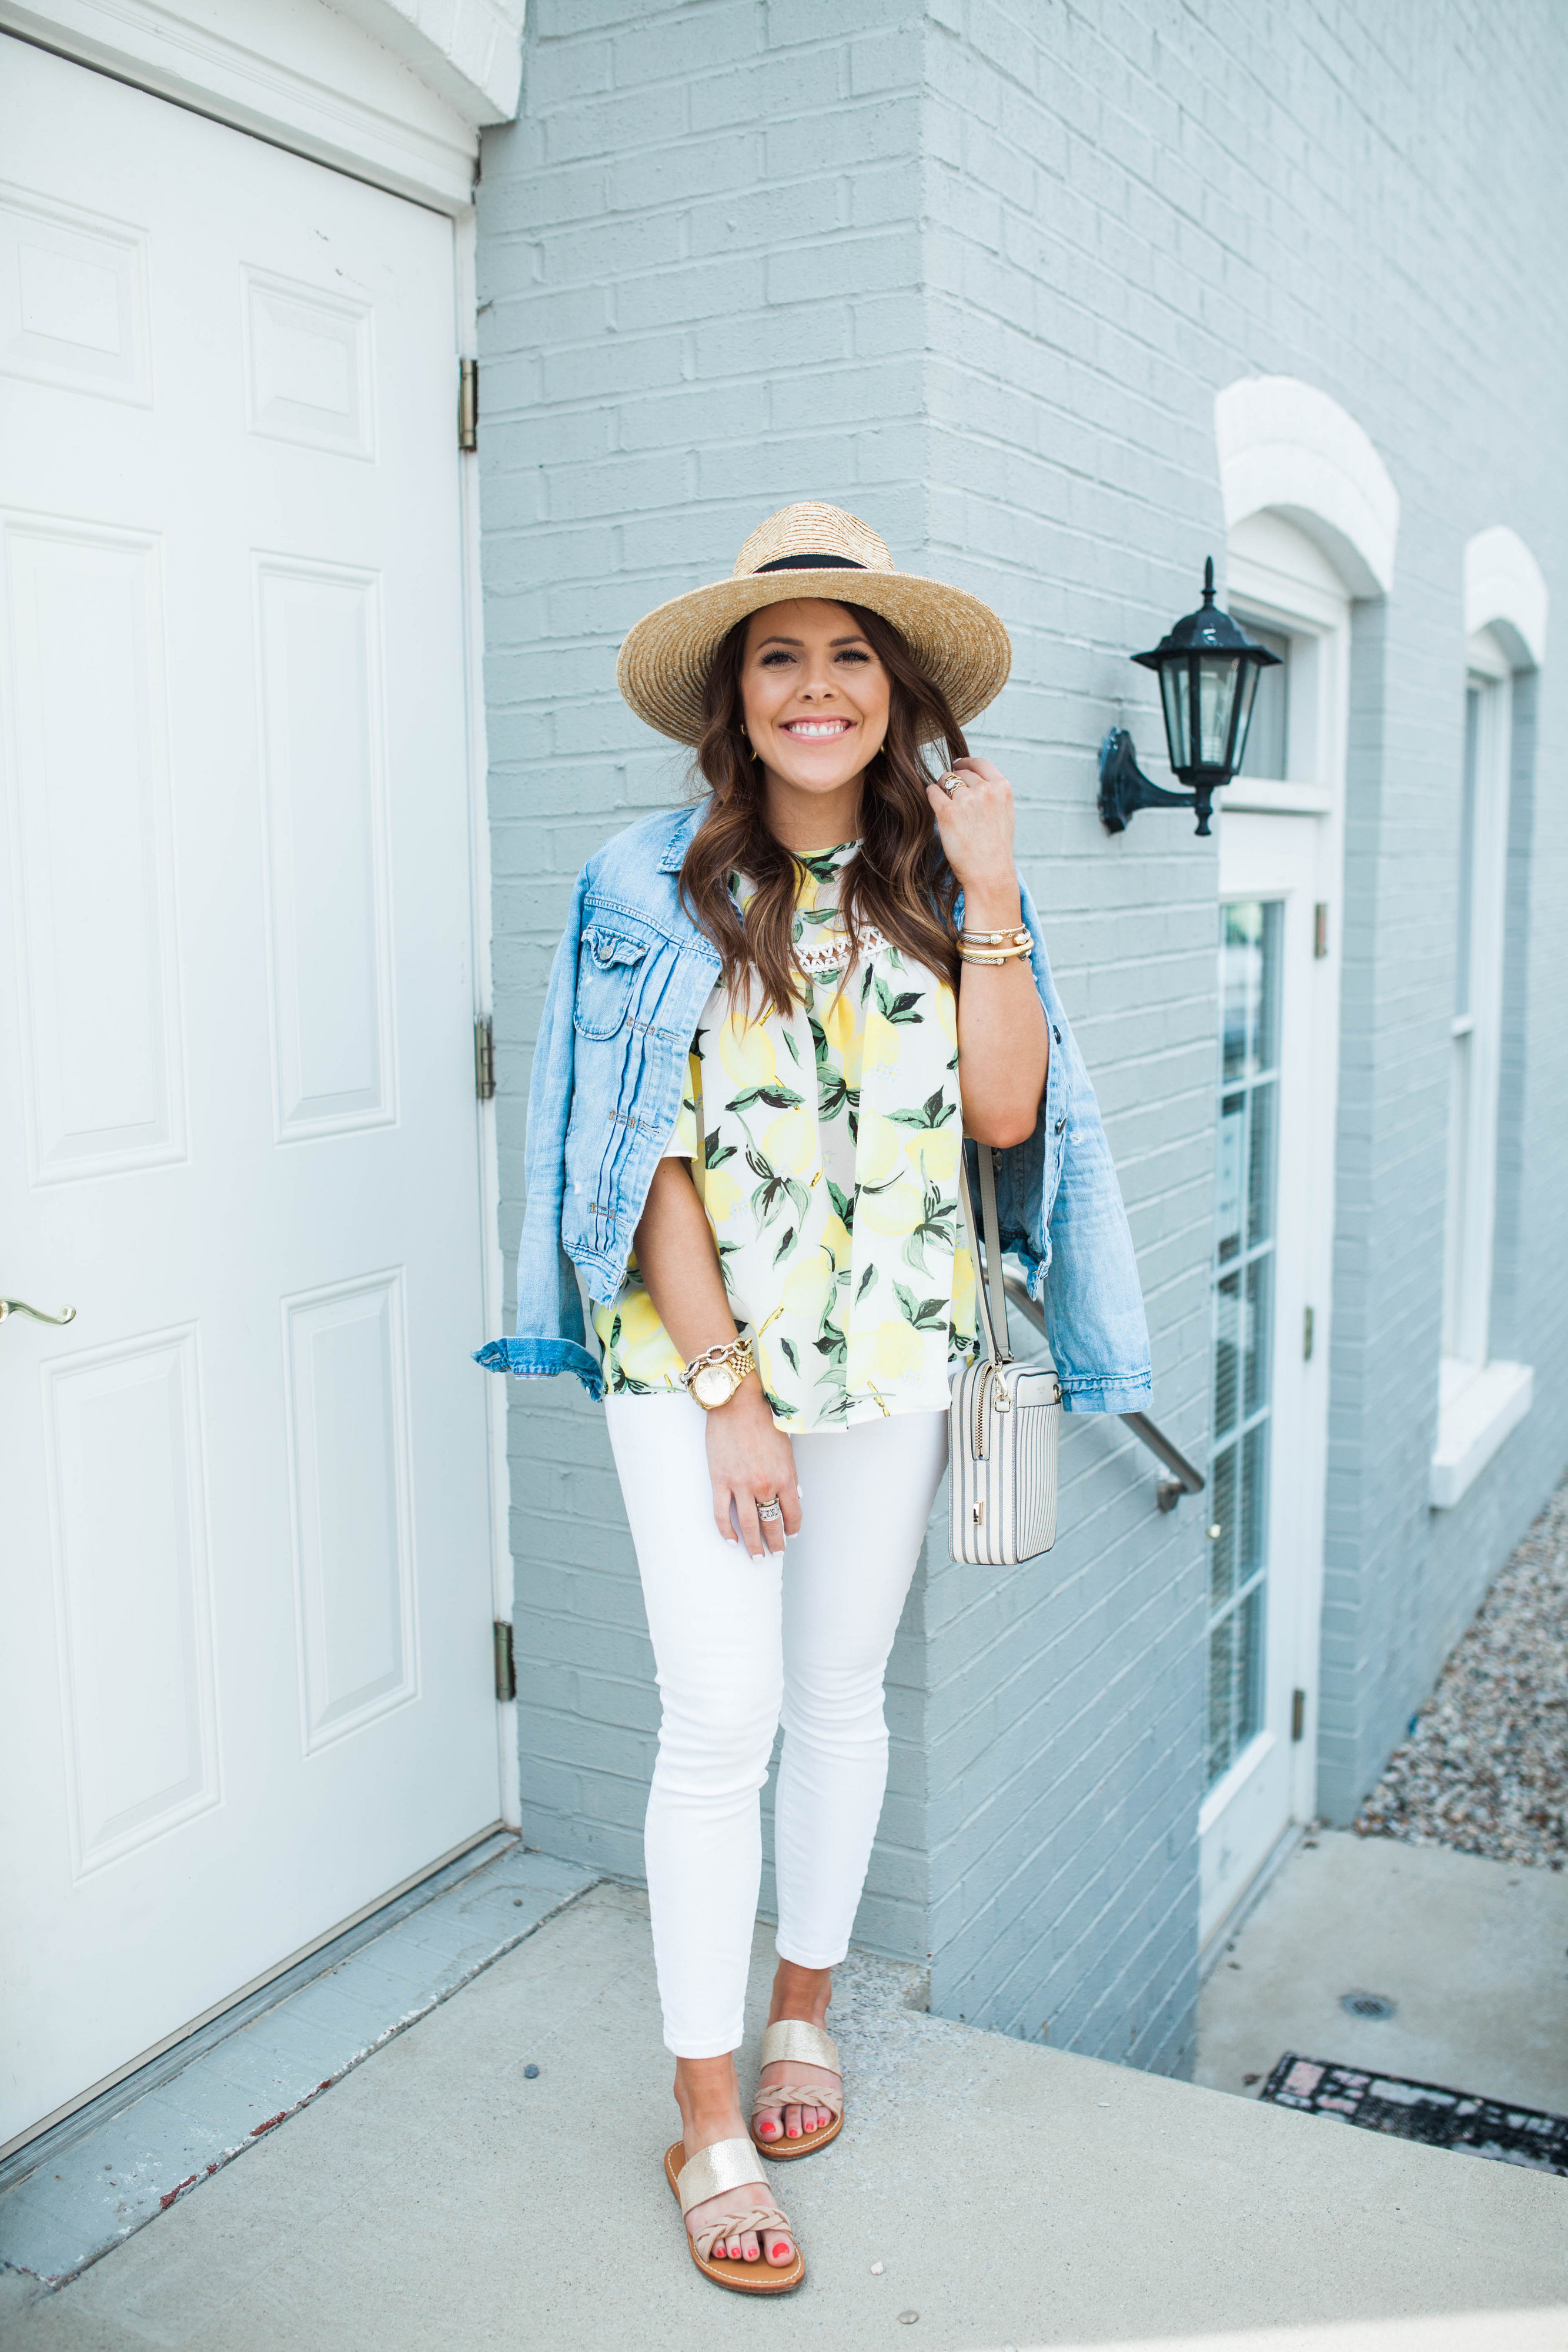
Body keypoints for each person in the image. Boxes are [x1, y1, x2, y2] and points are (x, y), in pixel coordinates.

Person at [479, 502, 1151, 2294]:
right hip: (699, 1369)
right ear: (733, 696)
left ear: (899, 692)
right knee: (721, 1712)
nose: (815, 684)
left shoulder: (947, 884)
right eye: (779, 654)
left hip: (897, 1361)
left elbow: (1006, 1124)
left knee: (841, 1696)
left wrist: (995, 893)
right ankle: (702, 2112)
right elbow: (637, 1166)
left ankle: (802, 2014)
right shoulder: (645, 885)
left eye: (850, 653)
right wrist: (725, 1393)